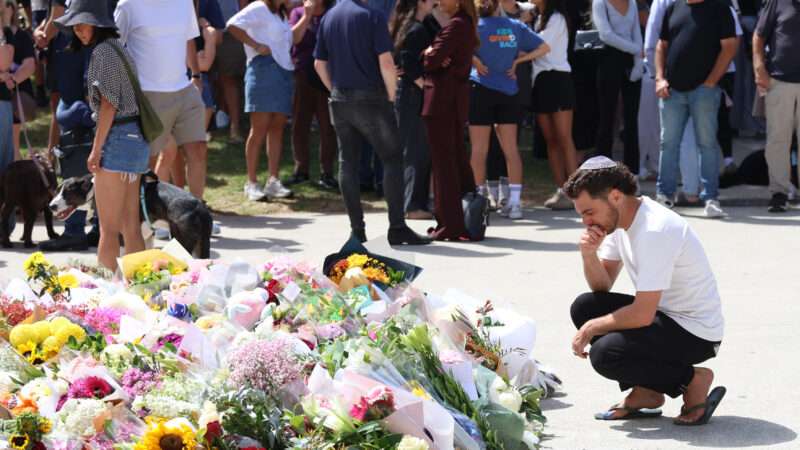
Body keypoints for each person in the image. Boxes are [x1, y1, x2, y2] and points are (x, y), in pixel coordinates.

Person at [565, 156, 726, 426]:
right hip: (665, 316)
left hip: (696, 333)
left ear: (615, 196)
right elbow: (602, 286)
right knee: (585, 307)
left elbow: (642, 314)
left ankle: (692, 380)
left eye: (589, 212)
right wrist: (589, 254)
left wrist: (590, 329)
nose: (586, 222)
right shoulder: (620, 221)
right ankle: (648, 392)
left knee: (605, 354)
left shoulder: (655, 229)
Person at [314, 0, 432, 245]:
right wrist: (391, 95)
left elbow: (319, 63)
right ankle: (397, 227)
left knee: (347, 163)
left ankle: (357, 231)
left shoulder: (329, 17)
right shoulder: (372, 16)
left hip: (340, 98)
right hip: (371, 96)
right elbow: (386, 62)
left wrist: (334, 89)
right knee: (392, 159)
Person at [56, 0, 150, 272]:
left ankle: (104, 289)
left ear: (97, 24)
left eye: (82, 24)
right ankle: (138, 286)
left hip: (117, 138)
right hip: (135, 138)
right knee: (131, 225)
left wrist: (96, 150)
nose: (78, 31)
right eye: (74, 27)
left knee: (108, 229)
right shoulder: (118, 48)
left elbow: (109, 104)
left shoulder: (102, 52)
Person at [115, 0, 209, 203]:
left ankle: (197, 210)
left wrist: (195, 75)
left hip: (184, 88)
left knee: (198, 148)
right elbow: (113, 47)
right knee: (148, 159)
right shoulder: (128, 5)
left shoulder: (184, 2)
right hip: (147, 93)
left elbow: (188, 39)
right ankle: (147, 212)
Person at [654, 0, 737, 218]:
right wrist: (660, 78)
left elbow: (730, 47)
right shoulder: (673, 8)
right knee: (668, 144)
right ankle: (665, 196)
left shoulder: (720, 8)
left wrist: (711, 81)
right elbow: (661, 45)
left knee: (707, 144)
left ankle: (710, 198)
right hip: (672, 90)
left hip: (704, 91)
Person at [469, 0, 548, 220]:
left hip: (480, 88)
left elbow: (458, 50)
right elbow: (544, 47)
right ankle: (514, 203)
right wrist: (518, 61)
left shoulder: (473, 26)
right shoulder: (515, 26)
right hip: (508, 90)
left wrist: (474, 61)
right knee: (511, 149)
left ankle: (478, 202)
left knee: (479, 150)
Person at [228, 0, 312, 202]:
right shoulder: (259, 7)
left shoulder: (281, 14)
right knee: (259, 129)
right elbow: (232, 25)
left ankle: (273, 181)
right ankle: (251, 183)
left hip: (284, 72)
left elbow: (293, 39)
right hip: (262, 70)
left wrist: (307, 16)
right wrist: (256, 45)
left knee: (277, 128)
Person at [420, 0, 480, 240]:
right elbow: (436, 58)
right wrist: (432, 54)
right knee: (455, 160)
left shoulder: (456, 25)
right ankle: (460, 220)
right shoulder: (464, 23)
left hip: (442, 101)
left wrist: (428, 53)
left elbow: (431, 60)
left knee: (444, 164)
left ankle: (451, 224)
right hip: (452, 100)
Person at [285, 0, 339, 192]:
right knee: (300, 123)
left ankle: (327, 173)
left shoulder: (333, 13)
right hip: (303, 74)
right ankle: (301, 169)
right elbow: (294, 39)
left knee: (328, 126)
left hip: (327, 76)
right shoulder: (298, 13)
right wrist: (307, 16)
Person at [531, 0, 579, 211]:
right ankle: (561, 189)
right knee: (550, 139)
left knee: (564, 137)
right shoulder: (537, 17)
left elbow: (540, 46)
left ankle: (576, 191)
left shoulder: (557, 18)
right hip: (540, 82)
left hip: (558, 79)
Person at [390, 0, 436, 220]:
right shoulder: (416, 29)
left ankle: (412, 203)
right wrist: (425, 85)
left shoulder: (415, 25)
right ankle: (413, 206)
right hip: (412, 95)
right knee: (416, 151)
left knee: (416, 150)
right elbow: (408, 62)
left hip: (407, 93)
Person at [753, 0, 800, 213]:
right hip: (780, 81)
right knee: (778, 140)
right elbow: (759, 35)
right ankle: (779, 193)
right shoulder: (778, 1)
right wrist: (759, 68)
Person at [592, 0, 643, 176]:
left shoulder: (632, 2)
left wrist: (638, 62)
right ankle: (602, 172)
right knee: (607, 117)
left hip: (630, 61)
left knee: (631, 119)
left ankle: (632, 172)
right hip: (608, 59)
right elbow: (605, 34)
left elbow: (636, 32)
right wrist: (635, 49)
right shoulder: (600, 3)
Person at [3, 0, 36, 161]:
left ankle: (14, 173)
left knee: (12, 144)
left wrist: (13, 80)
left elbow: (30, 65)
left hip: (15, 95)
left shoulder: (22, 36)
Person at [215, 0, 247, 143]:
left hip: (229, 31)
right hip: (200, 28)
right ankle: (220, 114)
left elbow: (243, 4)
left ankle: (235, 126)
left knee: (230, 78)